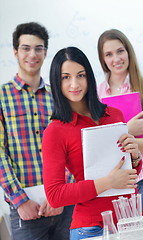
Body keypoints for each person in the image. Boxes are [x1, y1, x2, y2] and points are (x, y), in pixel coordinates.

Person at [42, 46, 142, 240]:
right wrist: (108, 183)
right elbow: (54, 195)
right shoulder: (55, 132)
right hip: (91, 228)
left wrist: (135, 157)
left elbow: (129, 174)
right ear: (56, 82)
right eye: (65, 77)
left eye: (80, 75)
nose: (74, 84)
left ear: (89, 76)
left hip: (130, 220)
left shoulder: (115, 115)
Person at [0, 22, 74, 240]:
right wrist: (19, 199)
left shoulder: (59, 96)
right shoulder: (2, 98)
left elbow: (72, 147)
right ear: (15, 51)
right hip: (26, 210)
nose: (32, 54)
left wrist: (61, 195)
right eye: (25, 48)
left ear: (45, 52)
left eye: (38, 48)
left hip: (64, 207)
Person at [97, 29, 143, 227]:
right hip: (115, 183)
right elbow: (96, 145)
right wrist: (127, 130)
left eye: (120, 51)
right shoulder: (96, 94)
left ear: (128, 52)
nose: (116, 58)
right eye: (109, 54)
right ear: (103, 59)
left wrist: (129, 139)